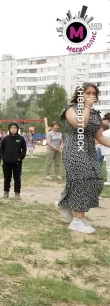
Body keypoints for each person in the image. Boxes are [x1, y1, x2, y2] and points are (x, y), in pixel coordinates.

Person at [58, 82, 110, 234]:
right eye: (87, 93)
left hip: (89, 151)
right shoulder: (70, 109)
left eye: (94, 94)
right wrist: (86, 106)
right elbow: (80, 124)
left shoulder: (95, 114)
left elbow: (99, 136)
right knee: (83, 180)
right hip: (75, 149)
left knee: (96, 180)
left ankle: (66, 202)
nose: (91, 96)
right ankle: (78, 221)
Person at [0, 122, 27, 199]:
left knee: (17, 178)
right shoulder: (5, 139)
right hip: (6, 163)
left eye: (15, 128)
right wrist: (3, 158)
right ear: (9, 129)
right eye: (11, 128)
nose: (13, 129)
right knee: (7, 178)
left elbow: (24, 150)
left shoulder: (21, 139)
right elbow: (1, 149)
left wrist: (20, 158)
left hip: (17, 163)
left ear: (17, 129)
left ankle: (17, 193)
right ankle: (6, 192)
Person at [101, 113, 110, 186]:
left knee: (108, 167)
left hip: (108, 152)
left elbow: (98, 140)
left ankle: (109, 180)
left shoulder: (106, 132)